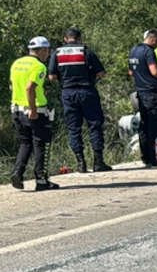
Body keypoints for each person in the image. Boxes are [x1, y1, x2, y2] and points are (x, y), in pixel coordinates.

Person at [48, 27, 111, 172]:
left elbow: (51, 77)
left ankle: (80, 163)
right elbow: (101, 73)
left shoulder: (57, 53)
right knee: (94, 125)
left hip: (68, 93)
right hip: (87, 91)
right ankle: (98, 162)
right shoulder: (86, 51)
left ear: (65, 38)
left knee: (73, 128)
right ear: (79, 38)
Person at [10, 36, 60, 190]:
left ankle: (17, 173)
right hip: (35, 110)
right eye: (47, 51)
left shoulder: (16, 63)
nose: (48, 54)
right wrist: (32, 108)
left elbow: (12, 86)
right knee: (41, 144)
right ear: (42, 50)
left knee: (25, 143)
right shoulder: (39, 66)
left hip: (16, 109)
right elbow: (30, 87)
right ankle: (41, 180)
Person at [129, 29, 157, 167]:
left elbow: (130, 71)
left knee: (144, 126)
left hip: (141, 93)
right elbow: (155, 71)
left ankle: (146, 157)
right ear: (153, 39)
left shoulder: (134, 50)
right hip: (153, 93)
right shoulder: (148, 51)